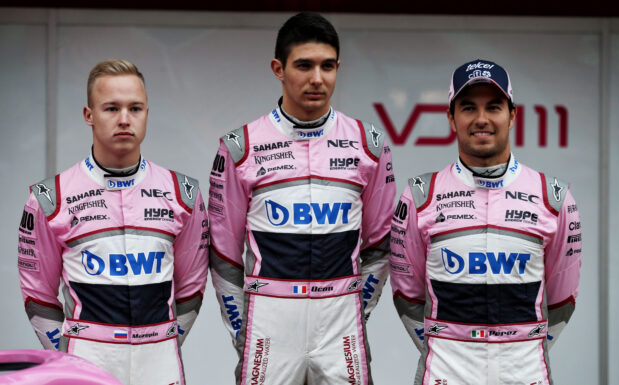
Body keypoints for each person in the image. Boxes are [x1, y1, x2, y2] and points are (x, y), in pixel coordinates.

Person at [208, 12, 395, 385]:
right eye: (304, 65)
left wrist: (357, 310)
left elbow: (381, 244)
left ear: (339, 67)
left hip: (341, 323)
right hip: (269, 325)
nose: (317, 78)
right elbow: (223, 255)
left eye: (328, 66)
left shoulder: (369, 145)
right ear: (278, 68)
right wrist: (245, 329)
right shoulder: (240, 147)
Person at [389, 58, 582, 384]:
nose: (481, 119)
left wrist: (521, 347)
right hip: (447, 373)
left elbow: (563, 299)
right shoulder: (420, 195)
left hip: (524, 373)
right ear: (451, 118)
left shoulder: (555, 197)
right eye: (468, 108)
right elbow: (406, 295)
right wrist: (448, 346)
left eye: (493, 107)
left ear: (512, 116)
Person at [17, 59, 209, 385]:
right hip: (87, 360)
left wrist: (162, 344)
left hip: (160, 362)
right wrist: (67, 359)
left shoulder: (183, 193)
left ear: (147, 112)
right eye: (111, 108)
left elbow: (192, 287)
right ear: (88, 115)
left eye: (135, 108)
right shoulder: (50, 197)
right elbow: (38, 296)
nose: (124, 119)